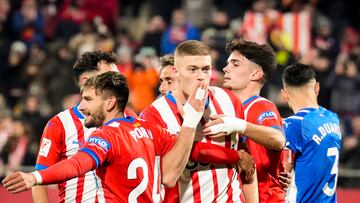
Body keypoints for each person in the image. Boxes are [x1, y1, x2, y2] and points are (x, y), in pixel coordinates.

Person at [2, 71, 208, 202]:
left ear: (109, 103)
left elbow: (77, 164)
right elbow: (184, 162)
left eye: (88, 99)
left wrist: (34, 177)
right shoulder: (149, 128)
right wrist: (191, 124)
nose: (83, 106)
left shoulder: (106, 136)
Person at [141, 40, 284, 202]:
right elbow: (168, 177)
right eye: (193, 70)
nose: (201, 77)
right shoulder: (155, 114)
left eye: (205, 69)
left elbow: (247, 164)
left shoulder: (229, 100)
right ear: (177, 71)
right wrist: (191, 121)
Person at [31, 51, 135, 203]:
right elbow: (39, 179)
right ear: (87, 81)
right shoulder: (60, 124)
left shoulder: (130, 117)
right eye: (110, 77)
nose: (118, 82)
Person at [205, 39, 287, 203]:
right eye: (228, 63)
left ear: (255, 74)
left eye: (235, 64)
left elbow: (278, 140)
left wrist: (238, 125)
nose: (225, 68)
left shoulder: (259, 106)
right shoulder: (231, 109)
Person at [281, 63, 341, 203]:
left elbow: (281, 175)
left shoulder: (292, 126)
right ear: (317, 88)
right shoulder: (333, 119)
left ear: (284, 94)